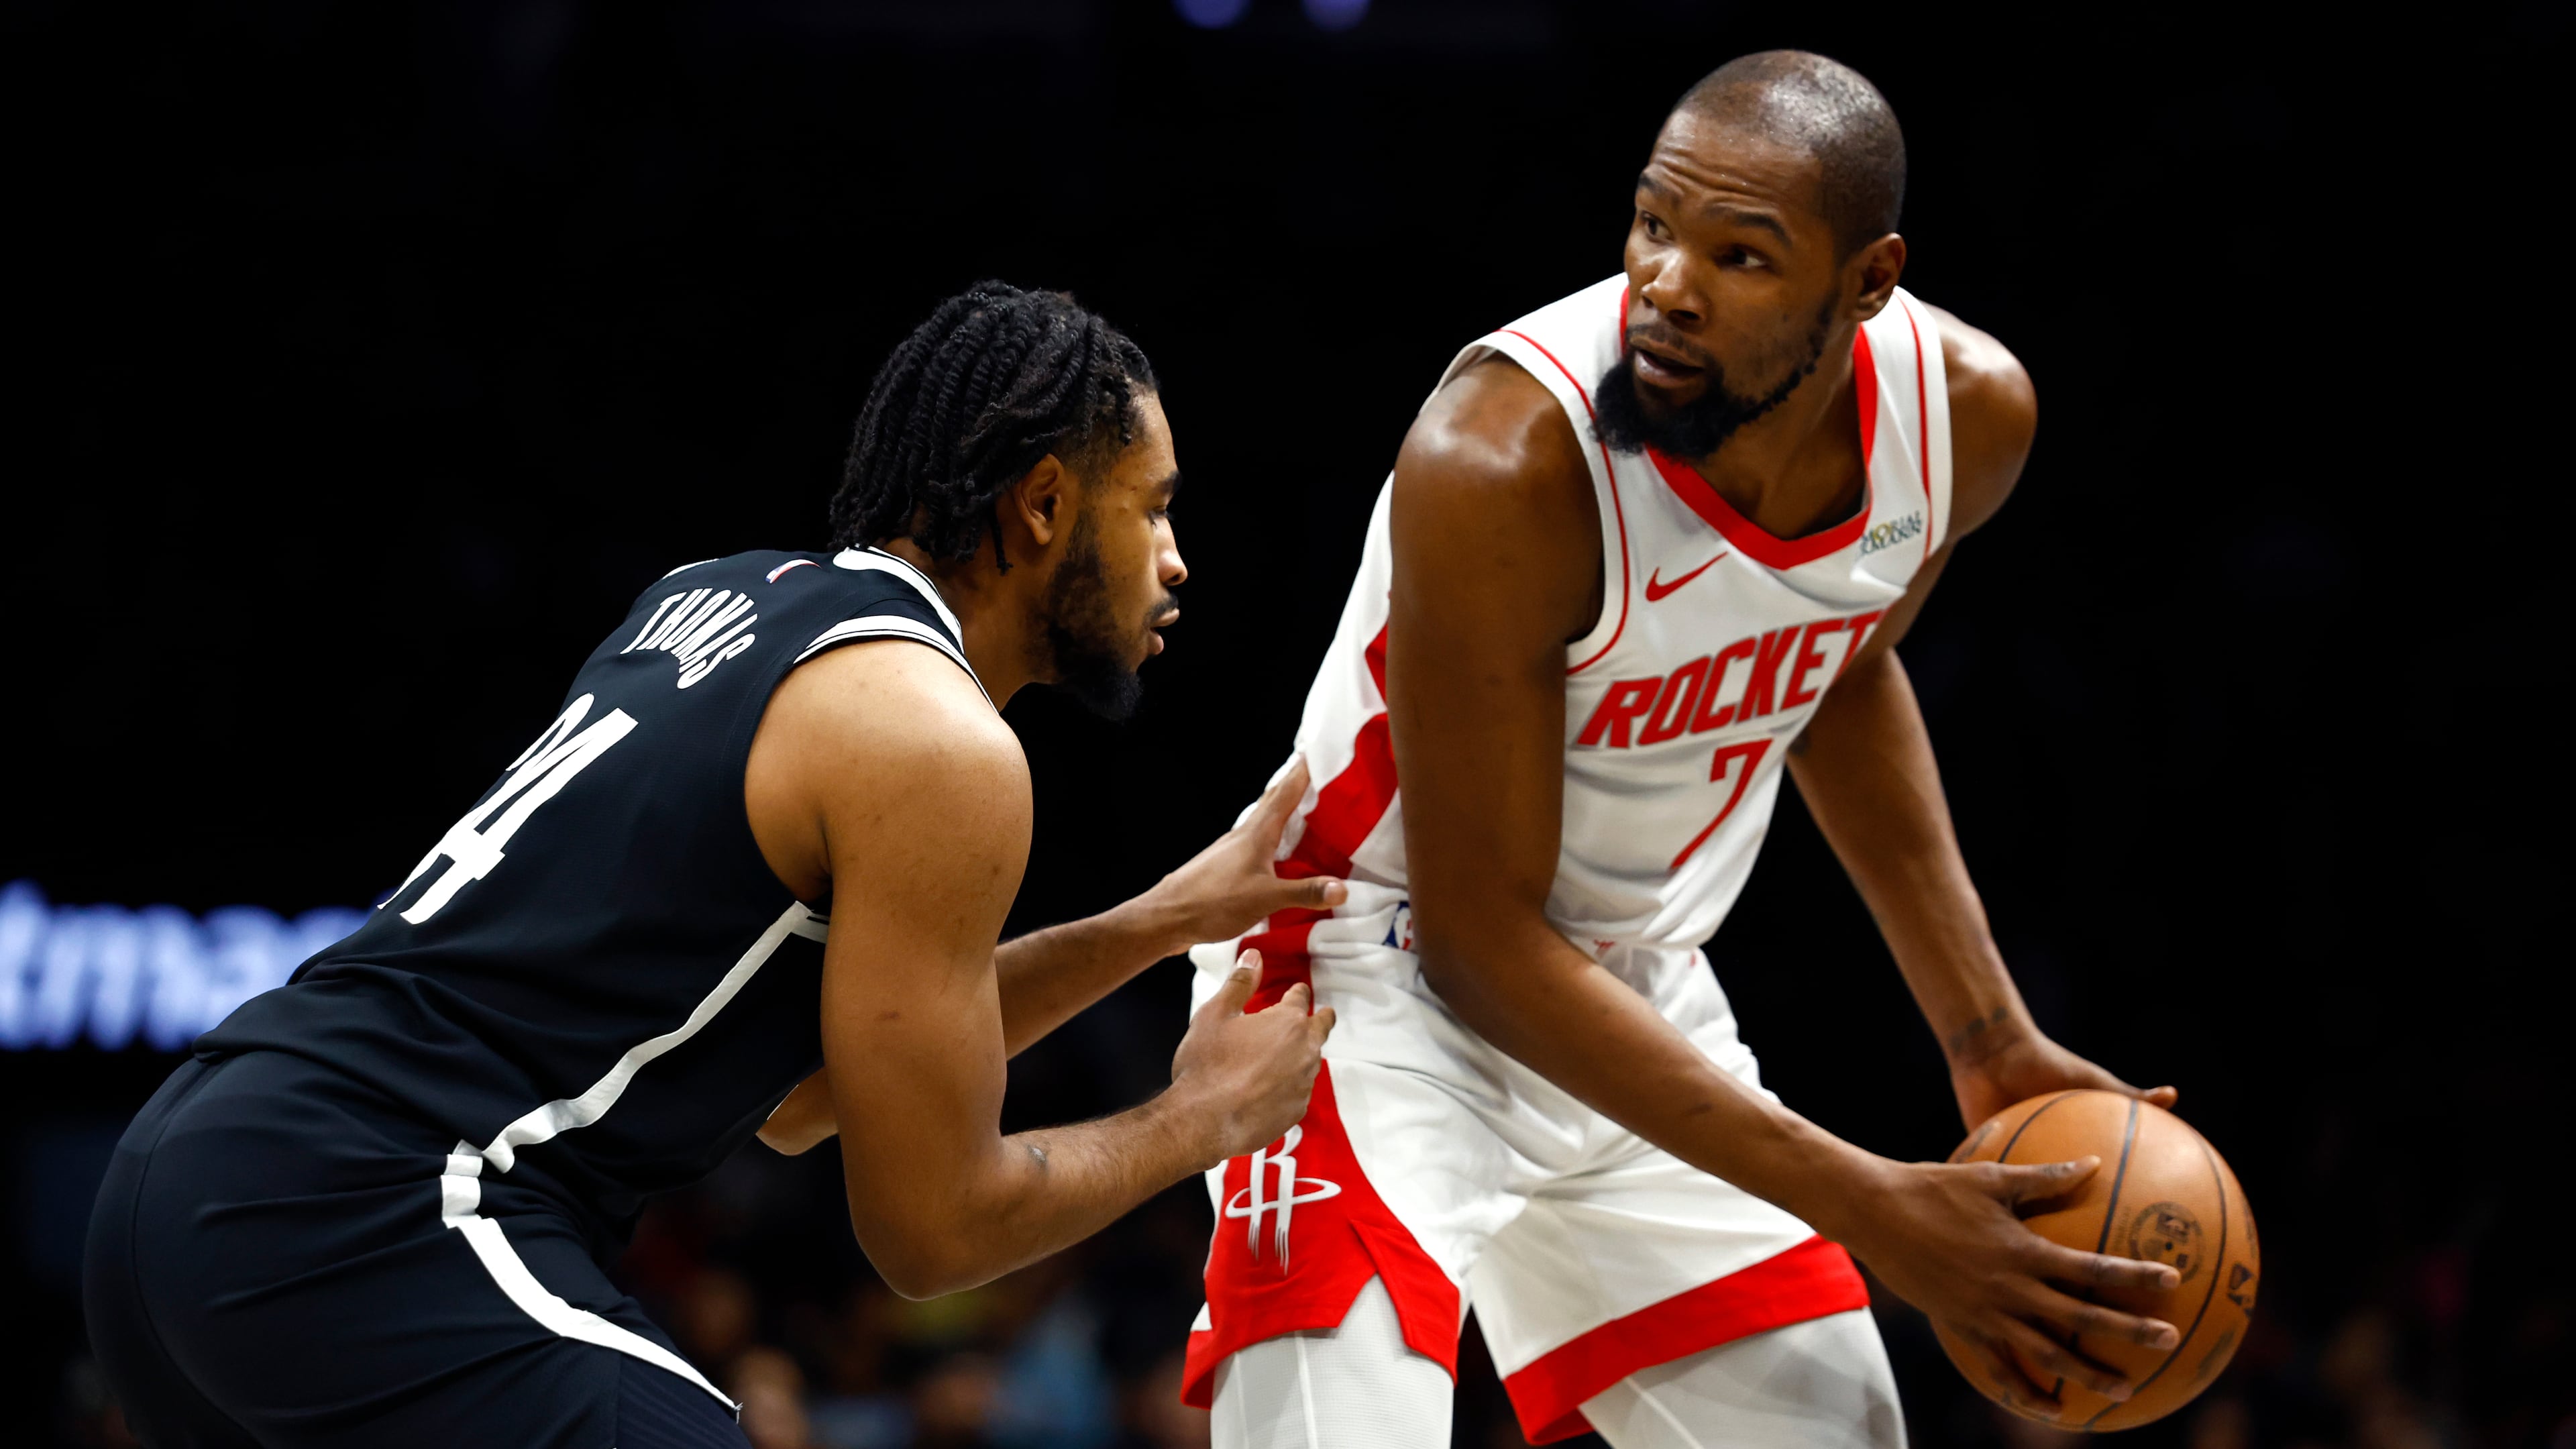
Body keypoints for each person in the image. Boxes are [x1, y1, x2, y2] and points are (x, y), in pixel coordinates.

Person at [83, 281, 1342, 1449]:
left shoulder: (719, 598)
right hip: (377, 1206)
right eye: (1158, 505)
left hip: (183, 1177)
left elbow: (800, 1098)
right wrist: (1204, 1120)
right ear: (1047, 503)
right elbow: (934, 1226)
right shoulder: (942, 744)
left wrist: (1165, 919)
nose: (1177, 559)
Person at [1182, 53, 2187, 1448]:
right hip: (1363, 984)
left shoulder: (1966, 420)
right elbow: (1478, 942)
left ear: (1869, 282)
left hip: (1626, 991)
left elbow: (1839, 673)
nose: (1667, 282)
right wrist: (1868, 1204)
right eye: (1655, 225)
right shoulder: (1503, 456)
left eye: (1741, 255)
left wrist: (1987, 1039)